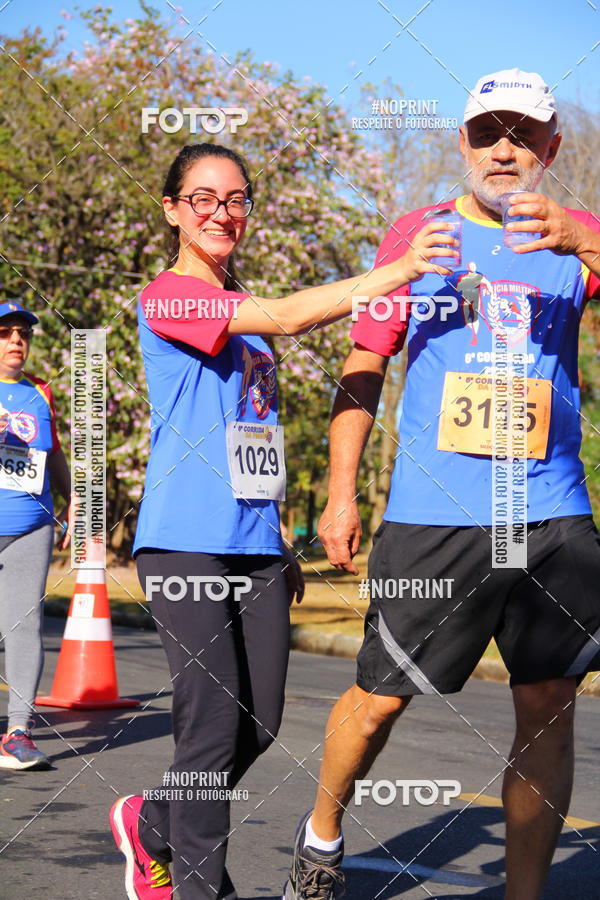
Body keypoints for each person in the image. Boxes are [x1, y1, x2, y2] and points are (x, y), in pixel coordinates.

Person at [108, 141, 459, 900]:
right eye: (202, 198)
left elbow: (253, 435)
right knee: (206, 737)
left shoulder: (246, 321)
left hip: (254, 547)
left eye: (235, 198)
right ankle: (198, 886)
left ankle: (153, 823)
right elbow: (299, 316)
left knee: (258, 726)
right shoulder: (169, 297)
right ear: (172, 210)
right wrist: (398, 271)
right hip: (186, 546)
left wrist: (275, 537)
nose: (221, 212)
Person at [284, 69, 600, 900]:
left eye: (523, 135)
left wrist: (580, 240)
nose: (505, 149)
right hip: (438, 515)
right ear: (462, 143)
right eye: (488, 133)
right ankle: (320, 838)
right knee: (379, 700)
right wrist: (341, 492)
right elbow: (365, 365)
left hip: (552, 514)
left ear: (550, 147)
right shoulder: (416, 234)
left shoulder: (577, 237)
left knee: (547, 710)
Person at [0, 301, 72, 769]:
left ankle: (18, 733)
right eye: (5, 332)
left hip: (32, 524)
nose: (16, 341)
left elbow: (55, 455)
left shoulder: (39, 392)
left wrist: (75, 502)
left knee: (24, 625)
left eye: (23, 333)